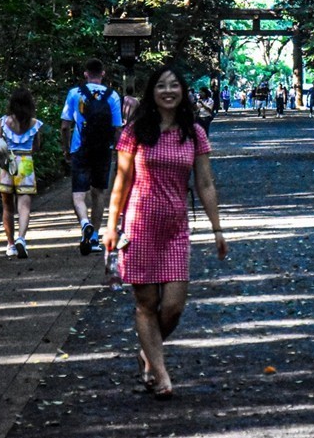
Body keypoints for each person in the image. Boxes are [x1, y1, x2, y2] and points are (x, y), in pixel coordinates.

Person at [103, 66, 228, 401]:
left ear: (183, 92)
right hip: (139, 226)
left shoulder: (194, 133)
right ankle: (160, 374)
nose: (168, 91)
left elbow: (205, 183)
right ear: (152, 92)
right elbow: (121, 181)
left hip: (175, 228)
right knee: (146, 304)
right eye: (161, 85)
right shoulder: (135, 132)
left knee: (173, 306)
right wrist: (111, 226)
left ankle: (148, 350)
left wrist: (217, 229)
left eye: (174, 85)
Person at [61, 59, 124, 255]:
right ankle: (95, 237)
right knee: (99, 193)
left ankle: (84, 223)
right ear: (103, 73)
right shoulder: (113, 95)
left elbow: (65, 126)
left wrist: (66, 149)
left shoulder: (75, 93)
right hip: (103, 149)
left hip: (80, 148)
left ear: (86, 74)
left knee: (79, 194)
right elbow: (118, 128)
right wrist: (117, 150)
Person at [0, 88, 42, 258]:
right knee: (24, 205)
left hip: (7, 164)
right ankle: (21, 238)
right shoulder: (35, 124)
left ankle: (11, 244)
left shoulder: (3, 122)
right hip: (25, 163)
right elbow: (36, 147)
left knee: (7, 207)